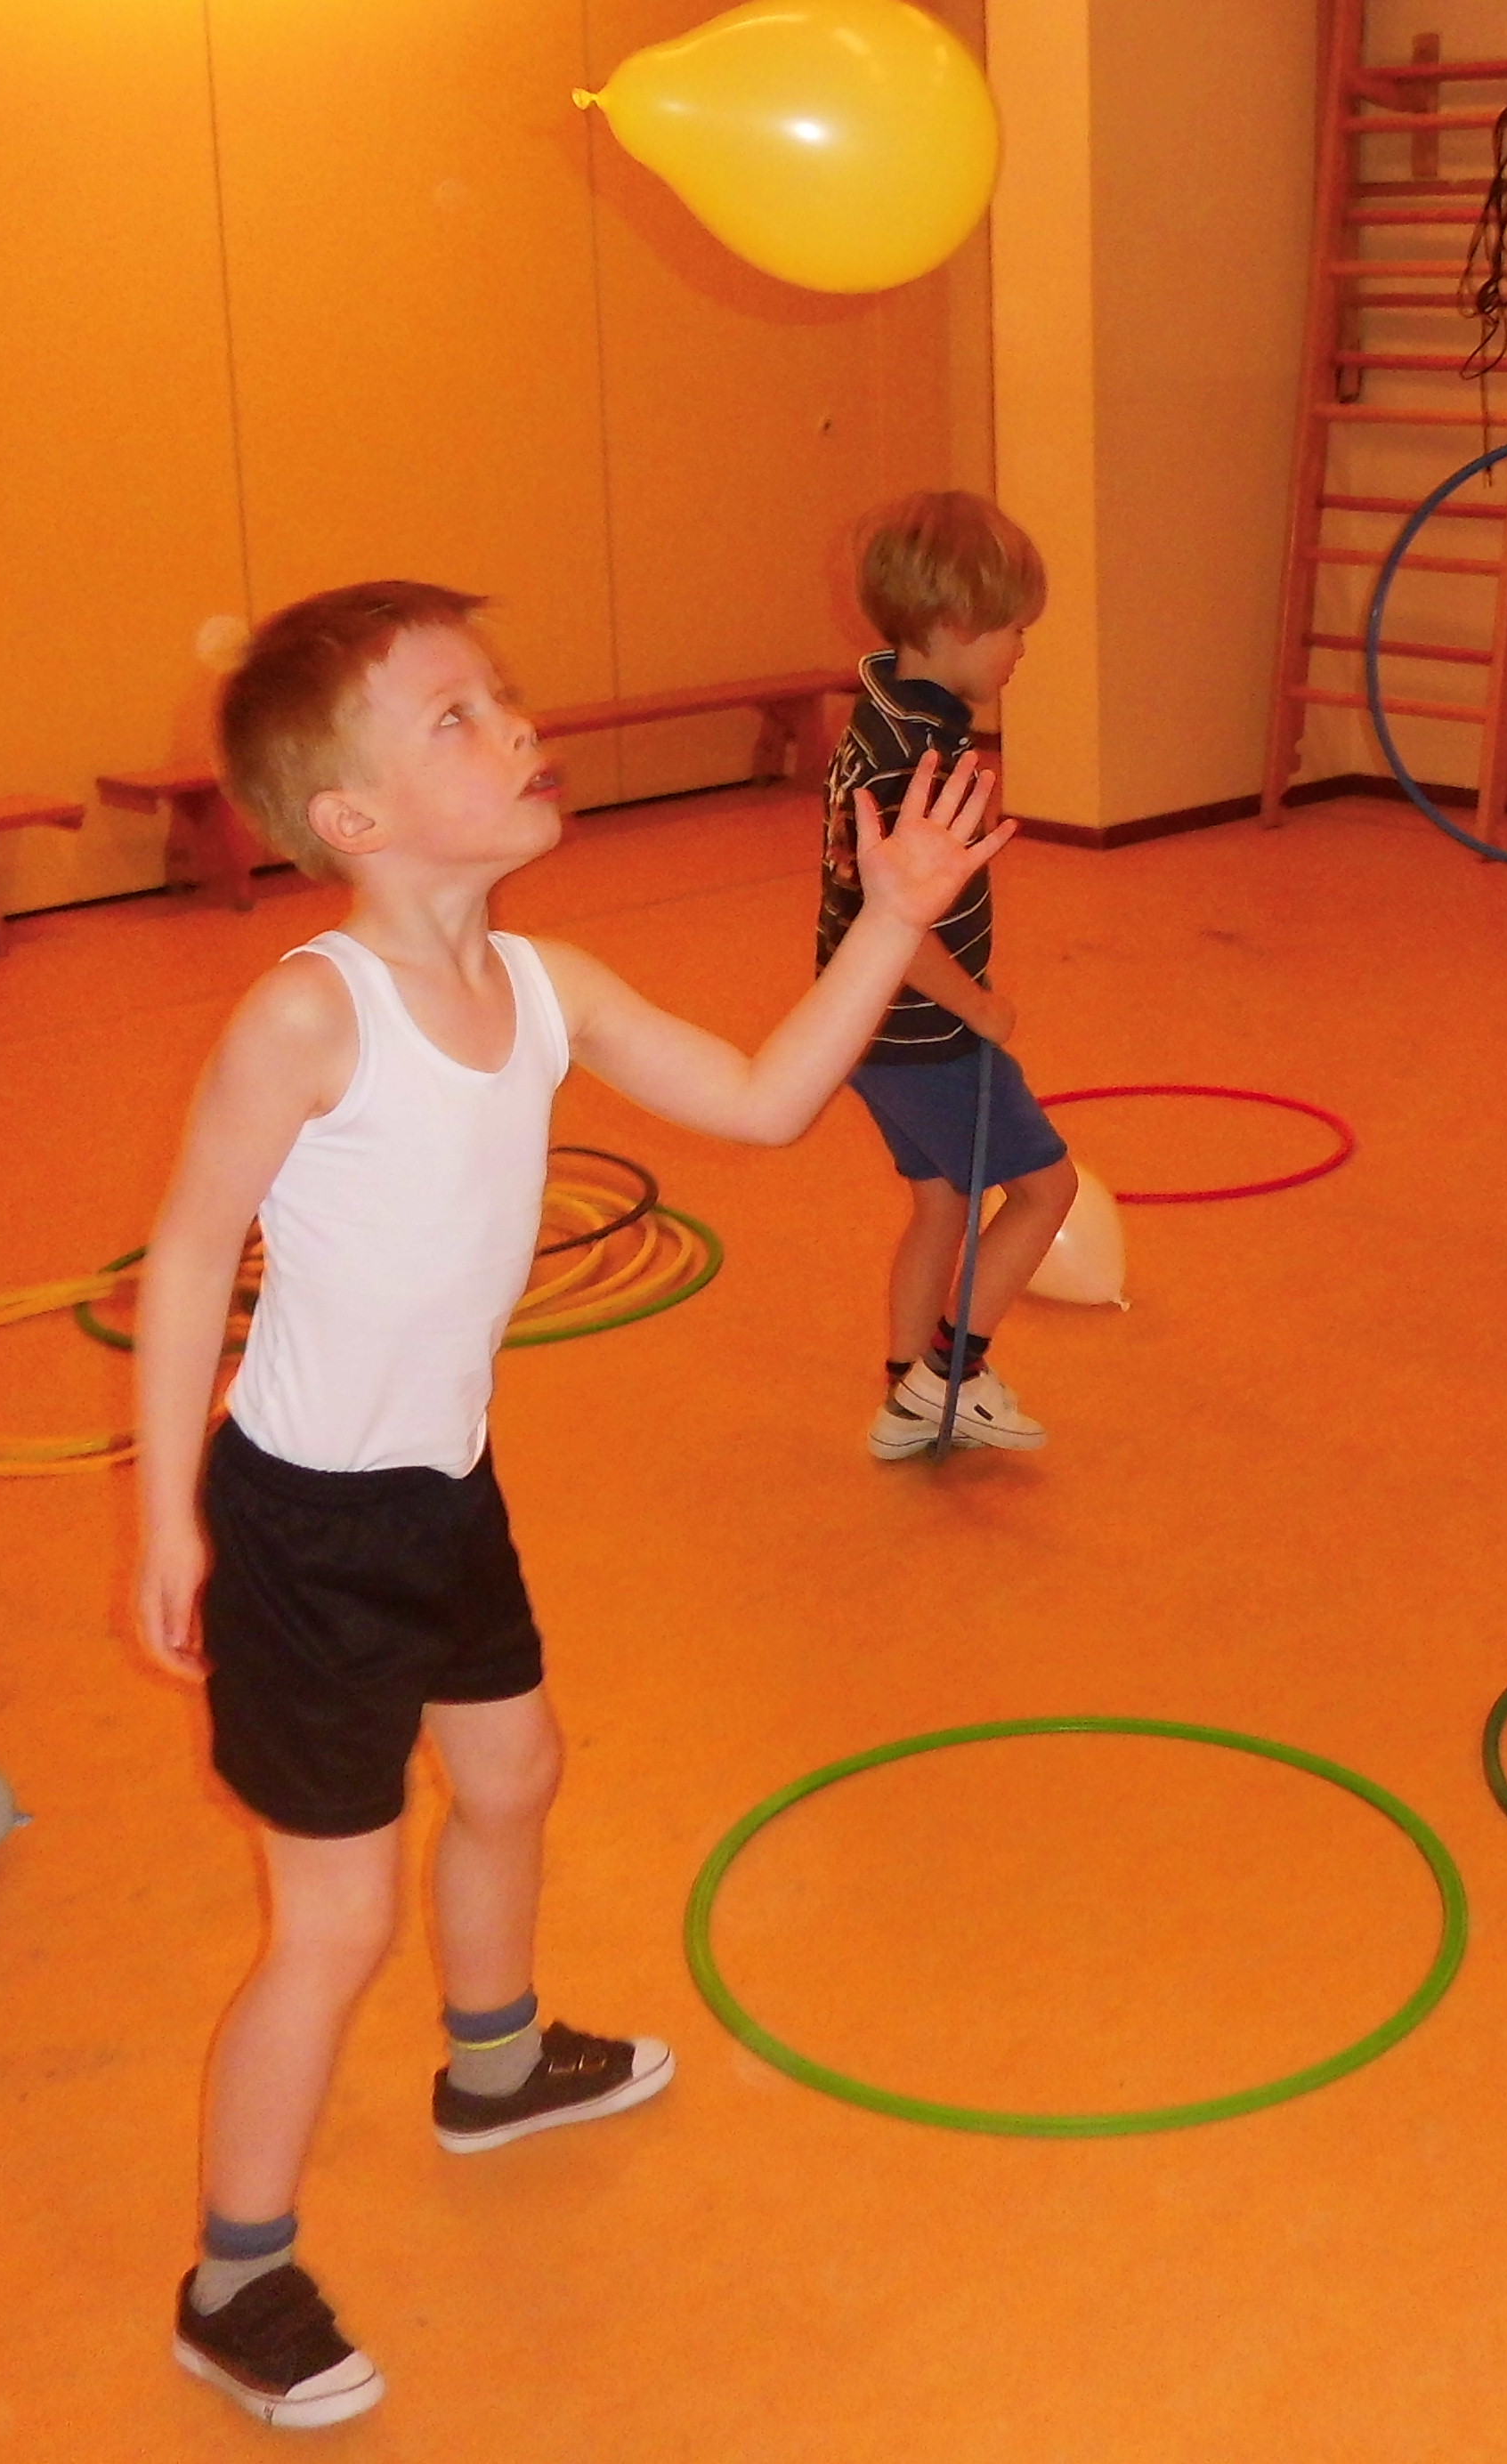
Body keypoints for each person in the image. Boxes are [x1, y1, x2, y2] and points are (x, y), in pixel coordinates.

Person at [132, 579, 1008, 2429]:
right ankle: (237, 2272)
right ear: (351, 822)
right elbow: (197, 1248)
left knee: (518, 1774)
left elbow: (769, 1104)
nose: (516, 727)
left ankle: (497, 2065)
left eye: (504, 698)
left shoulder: (548, 986)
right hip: (301, 1524)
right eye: (456, 715)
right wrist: (165, 1515)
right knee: (329, 1920)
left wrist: (899, 920)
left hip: (444, 1488)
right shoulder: (313, 1016)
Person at [816, 491, 1080, 1461]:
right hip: (926, 1031)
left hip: (866, 1033)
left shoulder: (887, 710)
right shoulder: (919, 756)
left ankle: (906, 1390)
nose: (1021, 650)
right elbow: (896, 920)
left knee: (941, 1201)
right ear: (960, 626)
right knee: (1047, 1192)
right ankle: (950, 1378)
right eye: (1015, 630)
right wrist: (980, 1006)